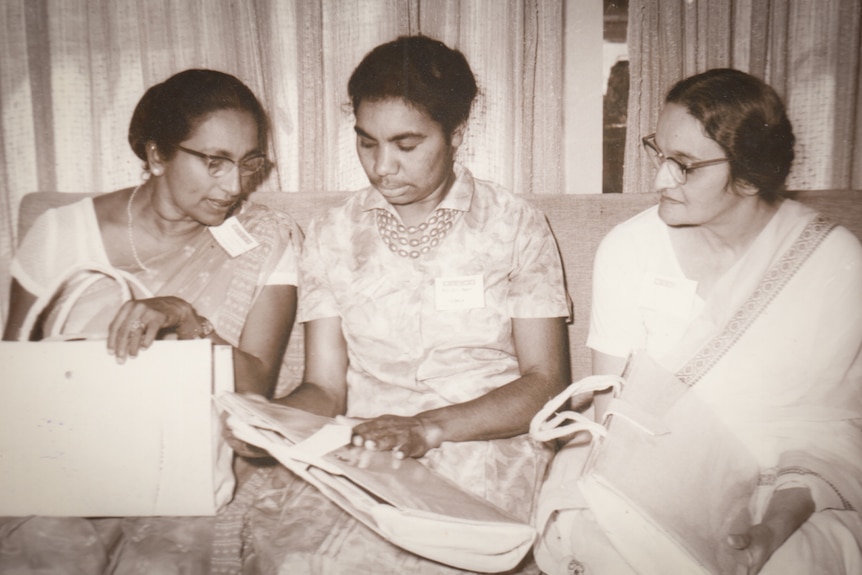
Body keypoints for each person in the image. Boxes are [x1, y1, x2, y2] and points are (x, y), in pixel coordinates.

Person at [231, 35, 571, 574]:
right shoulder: (331, 233)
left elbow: (546, 381)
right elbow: (325, 386)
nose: (382, 167)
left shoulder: (514, 224)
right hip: (367, 450)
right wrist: (265, 426)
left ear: (456, 134)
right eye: (367, 142)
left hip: (481, 443)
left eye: (406, 145)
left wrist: (428, 428)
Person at [534, 68, 862, 574]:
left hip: (792, 492)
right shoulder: (629, 249)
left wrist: (770, 531)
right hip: (646, 477)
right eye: (659, 154)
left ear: (750, 174)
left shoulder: (831, 261)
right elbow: (612, 420)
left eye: (685, 166)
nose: (660, 179)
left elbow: (827, 432)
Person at [0, 68, 301, 574]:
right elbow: (13, 383)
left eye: (249, 163)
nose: (235, 186)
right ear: (157, 155)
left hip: (180, 482)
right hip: (59, 475)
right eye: (214, 162)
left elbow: (256, 391)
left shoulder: (264, 239)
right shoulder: (60, 234)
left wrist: (188, 322)